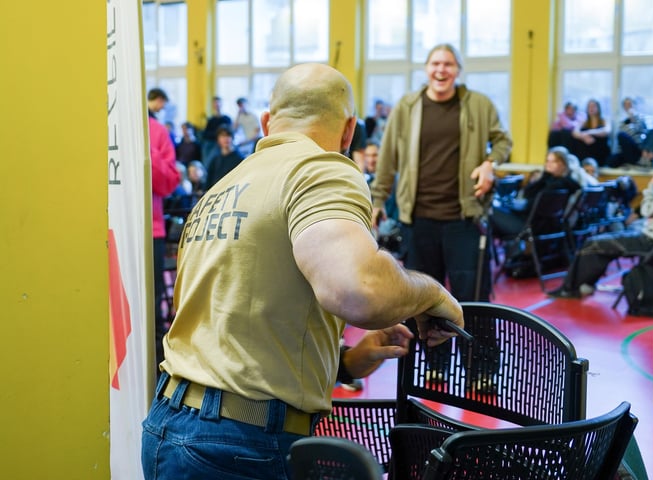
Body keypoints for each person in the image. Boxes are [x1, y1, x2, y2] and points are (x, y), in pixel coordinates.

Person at [141, 63, 463, 479]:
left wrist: (344, 363)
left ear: (266, 124)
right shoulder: (319, 168)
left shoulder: (222, 189)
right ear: (349, 131)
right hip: (241, 446)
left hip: (167, 428)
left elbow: (233, 321)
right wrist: (432, 293)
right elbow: (358, 290)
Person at [370, 44, 512, 389]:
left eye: (448, 64)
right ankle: (434, 366)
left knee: (472, 297)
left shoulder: (477, 104)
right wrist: (377, 199)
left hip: (463, 217)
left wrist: (490, 164)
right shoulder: (407, 107)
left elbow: (502, 140)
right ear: (426, 68)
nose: (441, 70)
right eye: (435, 63)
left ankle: (481, 371)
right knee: (424, 301)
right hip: (419, 220)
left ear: (458, 70)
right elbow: (387, 158)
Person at [548, 168, 653, 299]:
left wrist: (652, 184)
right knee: (596, 243)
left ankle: (569, 289)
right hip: (649, 236)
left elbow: (646, 210)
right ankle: (583, 285)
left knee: (593, 243)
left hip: (650, 241)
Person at [146, 87, 181, 367]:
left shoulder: (156, 132)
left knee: (152, 309)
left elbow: (169, 182)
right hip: (107, 231)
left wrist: (148, 152)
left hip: (151, 231)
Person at [491, 146, 581, 239]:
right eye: (547, 161)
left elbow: (530, 202)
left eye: (553, 162)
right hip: (546, 227)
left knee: (490, 210)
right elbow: (529, 194)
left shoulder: (557, 186)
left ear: (563, 164)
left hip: (531, 227)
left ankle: (492, 250)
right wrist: (545, 176)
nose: (548, 165)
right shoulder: (563, 183)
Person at [607, 97, 648, 168]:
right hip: (626, 151)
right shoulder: (622, 123)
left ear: (634, 106)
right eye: (626, 105)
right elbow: (621, 142)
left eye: (630, 104)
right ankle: (629, 161)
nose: (628, 106)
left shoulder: (640, 119)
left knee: (621, 135)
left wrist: (633, 118)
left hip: (637, 149)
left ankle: (633, 161)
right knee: (611, 161)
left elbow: (641, 132)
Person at [569, 99, 612, 165]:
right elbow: (574, 132)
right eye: (589, 107)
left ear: (598, 108)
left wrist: (588, 132)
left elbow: (607, 131)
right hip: (585, 153)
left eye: (593, 106)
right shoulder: (584, 121)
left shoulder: (604, 120)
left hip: (600, 153)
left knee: (595, 133)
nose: (591, 108)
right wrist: (583, 137)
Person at [200, 95, 232, 162]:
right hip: (210, 142)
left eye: (218, 103)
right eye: (215, 103)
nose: (216, 105)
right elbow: (206, 133)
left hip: (220, 143)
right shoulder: (211, 120)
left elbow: (228, 132)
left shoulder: (226, 119)